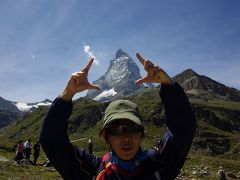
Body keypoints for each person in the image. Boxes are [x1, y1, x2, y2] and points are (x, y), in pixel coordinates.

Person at [40, 53, 196, 180]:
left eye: (132, 128)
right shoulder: (92, 170)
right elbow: (52, 141)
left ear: (141, 133)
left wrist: (168, 85)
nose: (126, 137)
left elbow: (183, 128)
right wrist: (68, 93)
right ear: (107, 136)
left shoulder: (159, 164)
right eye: (116, 130)